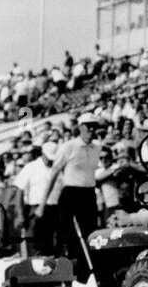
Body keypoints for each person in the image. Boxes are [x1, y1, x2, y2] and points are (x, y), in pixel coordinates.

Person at [37, 114, 101, 267]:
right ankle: (69, 264)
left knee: (91, 234)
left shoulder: (97, 147)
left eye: (94, 126)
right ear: (80, 127)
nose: (91, 129)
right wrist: (42, 203)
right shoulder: (68, 147)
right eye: (88, 126)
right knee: (67, 233)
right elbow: (53, 174)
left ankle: (87, 268)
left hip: (89, 194)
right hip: (70, 194)